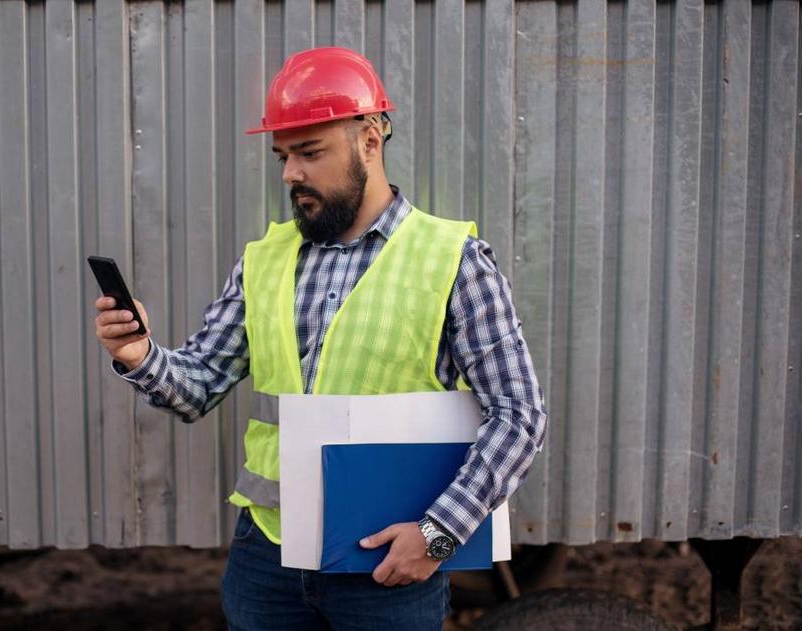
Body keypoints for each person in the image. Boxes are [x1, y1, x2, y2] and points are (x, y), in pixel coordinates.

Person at [94, 46, 547, 630]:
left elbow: (519, 415)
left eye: (310, 152)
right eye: (283, 156)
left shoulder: (454, 261)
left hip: (389, 565)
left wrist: (439, 534)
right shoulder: (264, 260)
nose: (291, 173)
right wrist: (138, 356)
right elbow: (196, 387)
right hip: (268, 561)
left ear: (369, 141)